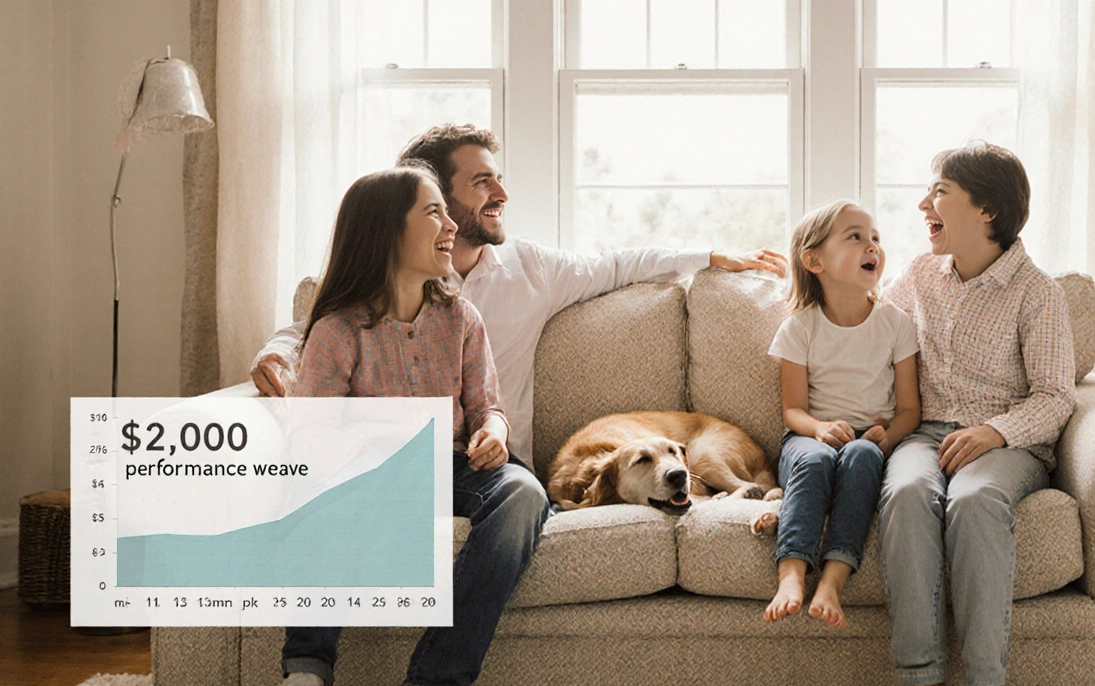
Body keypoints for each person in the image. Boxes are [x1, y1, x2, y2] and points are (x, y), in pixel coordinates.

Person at [251, 124, 788, 469]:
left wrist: (710, 256)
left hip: (495, 463)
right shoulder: (385, 278)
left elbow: (619, 263)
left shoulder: (529, 270)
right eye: (482, 182)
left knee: (517, 497)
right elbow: (320, 324)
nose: (502, 194)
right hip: (393, 464)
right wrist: (275, 352)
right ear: (432, 192)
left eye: (499, 179)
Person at [279, 165, 550, 686]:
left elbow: (487, 407)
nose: (451, 225)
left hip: (452, 466)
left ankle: (436, 678)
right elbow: (309, 441)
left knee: (524, 492)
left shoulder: (462, 318)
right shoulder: (337, 331)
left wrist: (492, 432)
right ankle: (308, 668)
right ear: (387, 229)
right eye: (433, 212)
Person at [878, 141, 1076, 686]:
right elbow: (872, 329)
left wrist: (994, 432)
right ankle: (918, 676)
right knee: (909, 492)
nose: (923, 204)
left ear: (986, 209)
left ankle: (985, 678)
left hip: (1007, 445)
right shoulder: (920, 275)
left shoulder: (1038, 294)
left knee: (974, 498)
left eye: (939, 191)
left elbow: (1056, 396)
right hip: (924, 435)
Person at [759, 200, 920, 628]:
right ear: (814, 261)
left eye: (876, 239)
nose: (872, 247)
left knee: (863, 458)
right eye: (855, 237)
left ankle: (832, 578)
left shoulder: (897, 324)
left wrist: (889, 434)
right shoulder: (800, 327)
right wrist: (820, 429)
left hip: (868, 441)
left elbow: (909, 410)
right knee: (814, 460)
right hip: (809, 439)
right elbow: (792, 409)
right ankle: (791, 574)